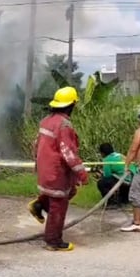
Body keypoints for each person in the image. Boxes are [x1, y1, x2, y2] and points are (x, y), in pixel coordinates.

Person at [28, 86, 89, 251]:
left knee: (69, 192)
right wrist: (82, 173)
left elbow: (36, 145)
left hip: (45, 170)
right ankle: (53, 241)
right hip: (57, 172)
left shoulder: (46, 121)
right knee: (58, 206)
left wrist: (37, 164)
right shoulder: (64, 125)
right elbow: (68, 153)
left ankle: (39, 205)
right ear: (71, 106)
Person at [96, 143, 137, 208]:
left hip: (125, 179)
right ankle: (124, 200)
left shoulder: (106, 159)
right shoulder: (120, 155)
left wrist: (100, 175)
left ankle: (111, 202)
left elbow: (107, 175)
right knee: (117, 178)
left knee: (102, 183)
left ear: (103, 153)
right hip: (133, 176)